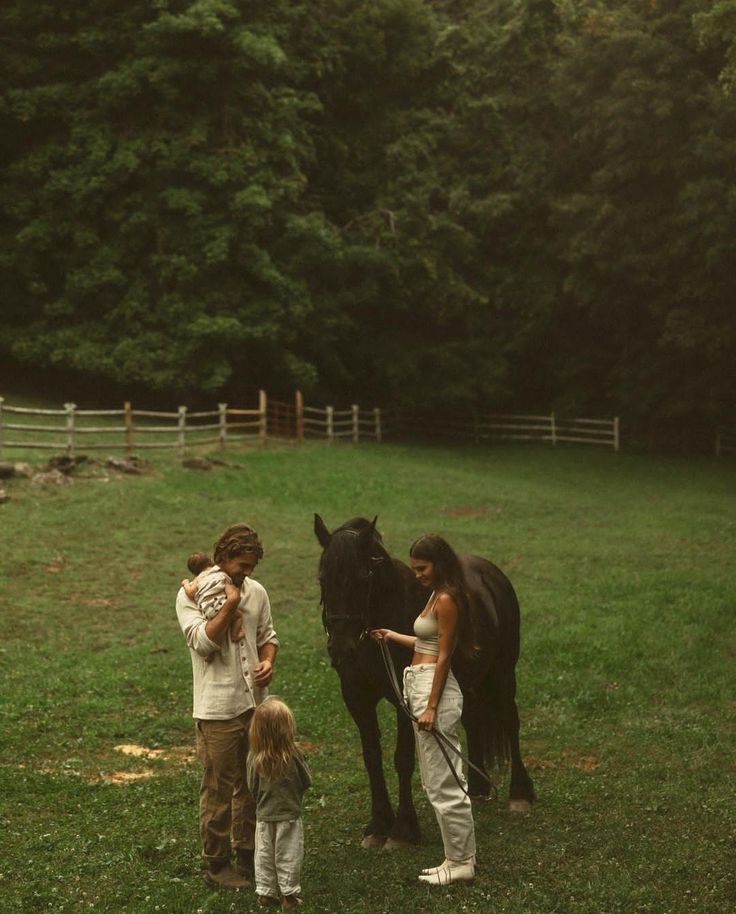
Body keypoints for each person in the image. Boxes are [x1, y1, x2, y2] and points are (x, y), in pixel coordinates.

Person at [176, 523, 279, 890]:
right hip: (216, 708)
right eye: (241, 565)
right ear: (222, 557)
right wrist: (231, 604)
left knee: (251, 783)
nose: (246, 573)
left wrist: (268, 660)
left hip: (254, 703)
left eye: (251, 567)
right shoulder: (191, 595)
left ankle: (247, 853)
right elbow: (203, 644)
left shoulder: (258, 592)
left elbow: (268, 637)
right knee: (218, 787)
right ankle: (216, 865)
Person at [370, 533, 476, 886]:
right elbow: (427, 642)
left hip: (434, 689)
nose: (417, 574)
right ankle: (454, 857)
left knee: (445, 782)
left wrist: (431, 705)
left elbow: (445, 655)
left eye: (422, 567)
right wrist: (392, 635)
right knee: (434, 782)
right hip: (420, 683)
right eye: (415, 568)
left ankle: (462, 862)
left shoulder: (447, 599)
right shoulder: (435, 595)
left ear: (439, 563)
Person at [246, 698, 311, 908]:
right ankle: (289, 895)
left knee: (264, 855)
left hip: (264, 816)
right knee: (289, 855)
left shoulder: (253, 758)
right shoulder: (294, 755)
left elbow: (251, 786)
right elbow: (305, 780)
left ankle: (266, 894)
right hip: (290, 816)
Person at [181, 551, 244, 660]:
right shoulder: (219, 572)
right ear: (210, 561)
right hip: (222, 604)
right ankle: (235, 634)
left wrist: (185, 583)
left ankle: (210, 653)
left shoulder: (198, 579)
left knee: (215, 631)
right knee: (238, 616)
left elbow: (191, 593)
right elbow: (228, 585)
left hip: (207, 610)